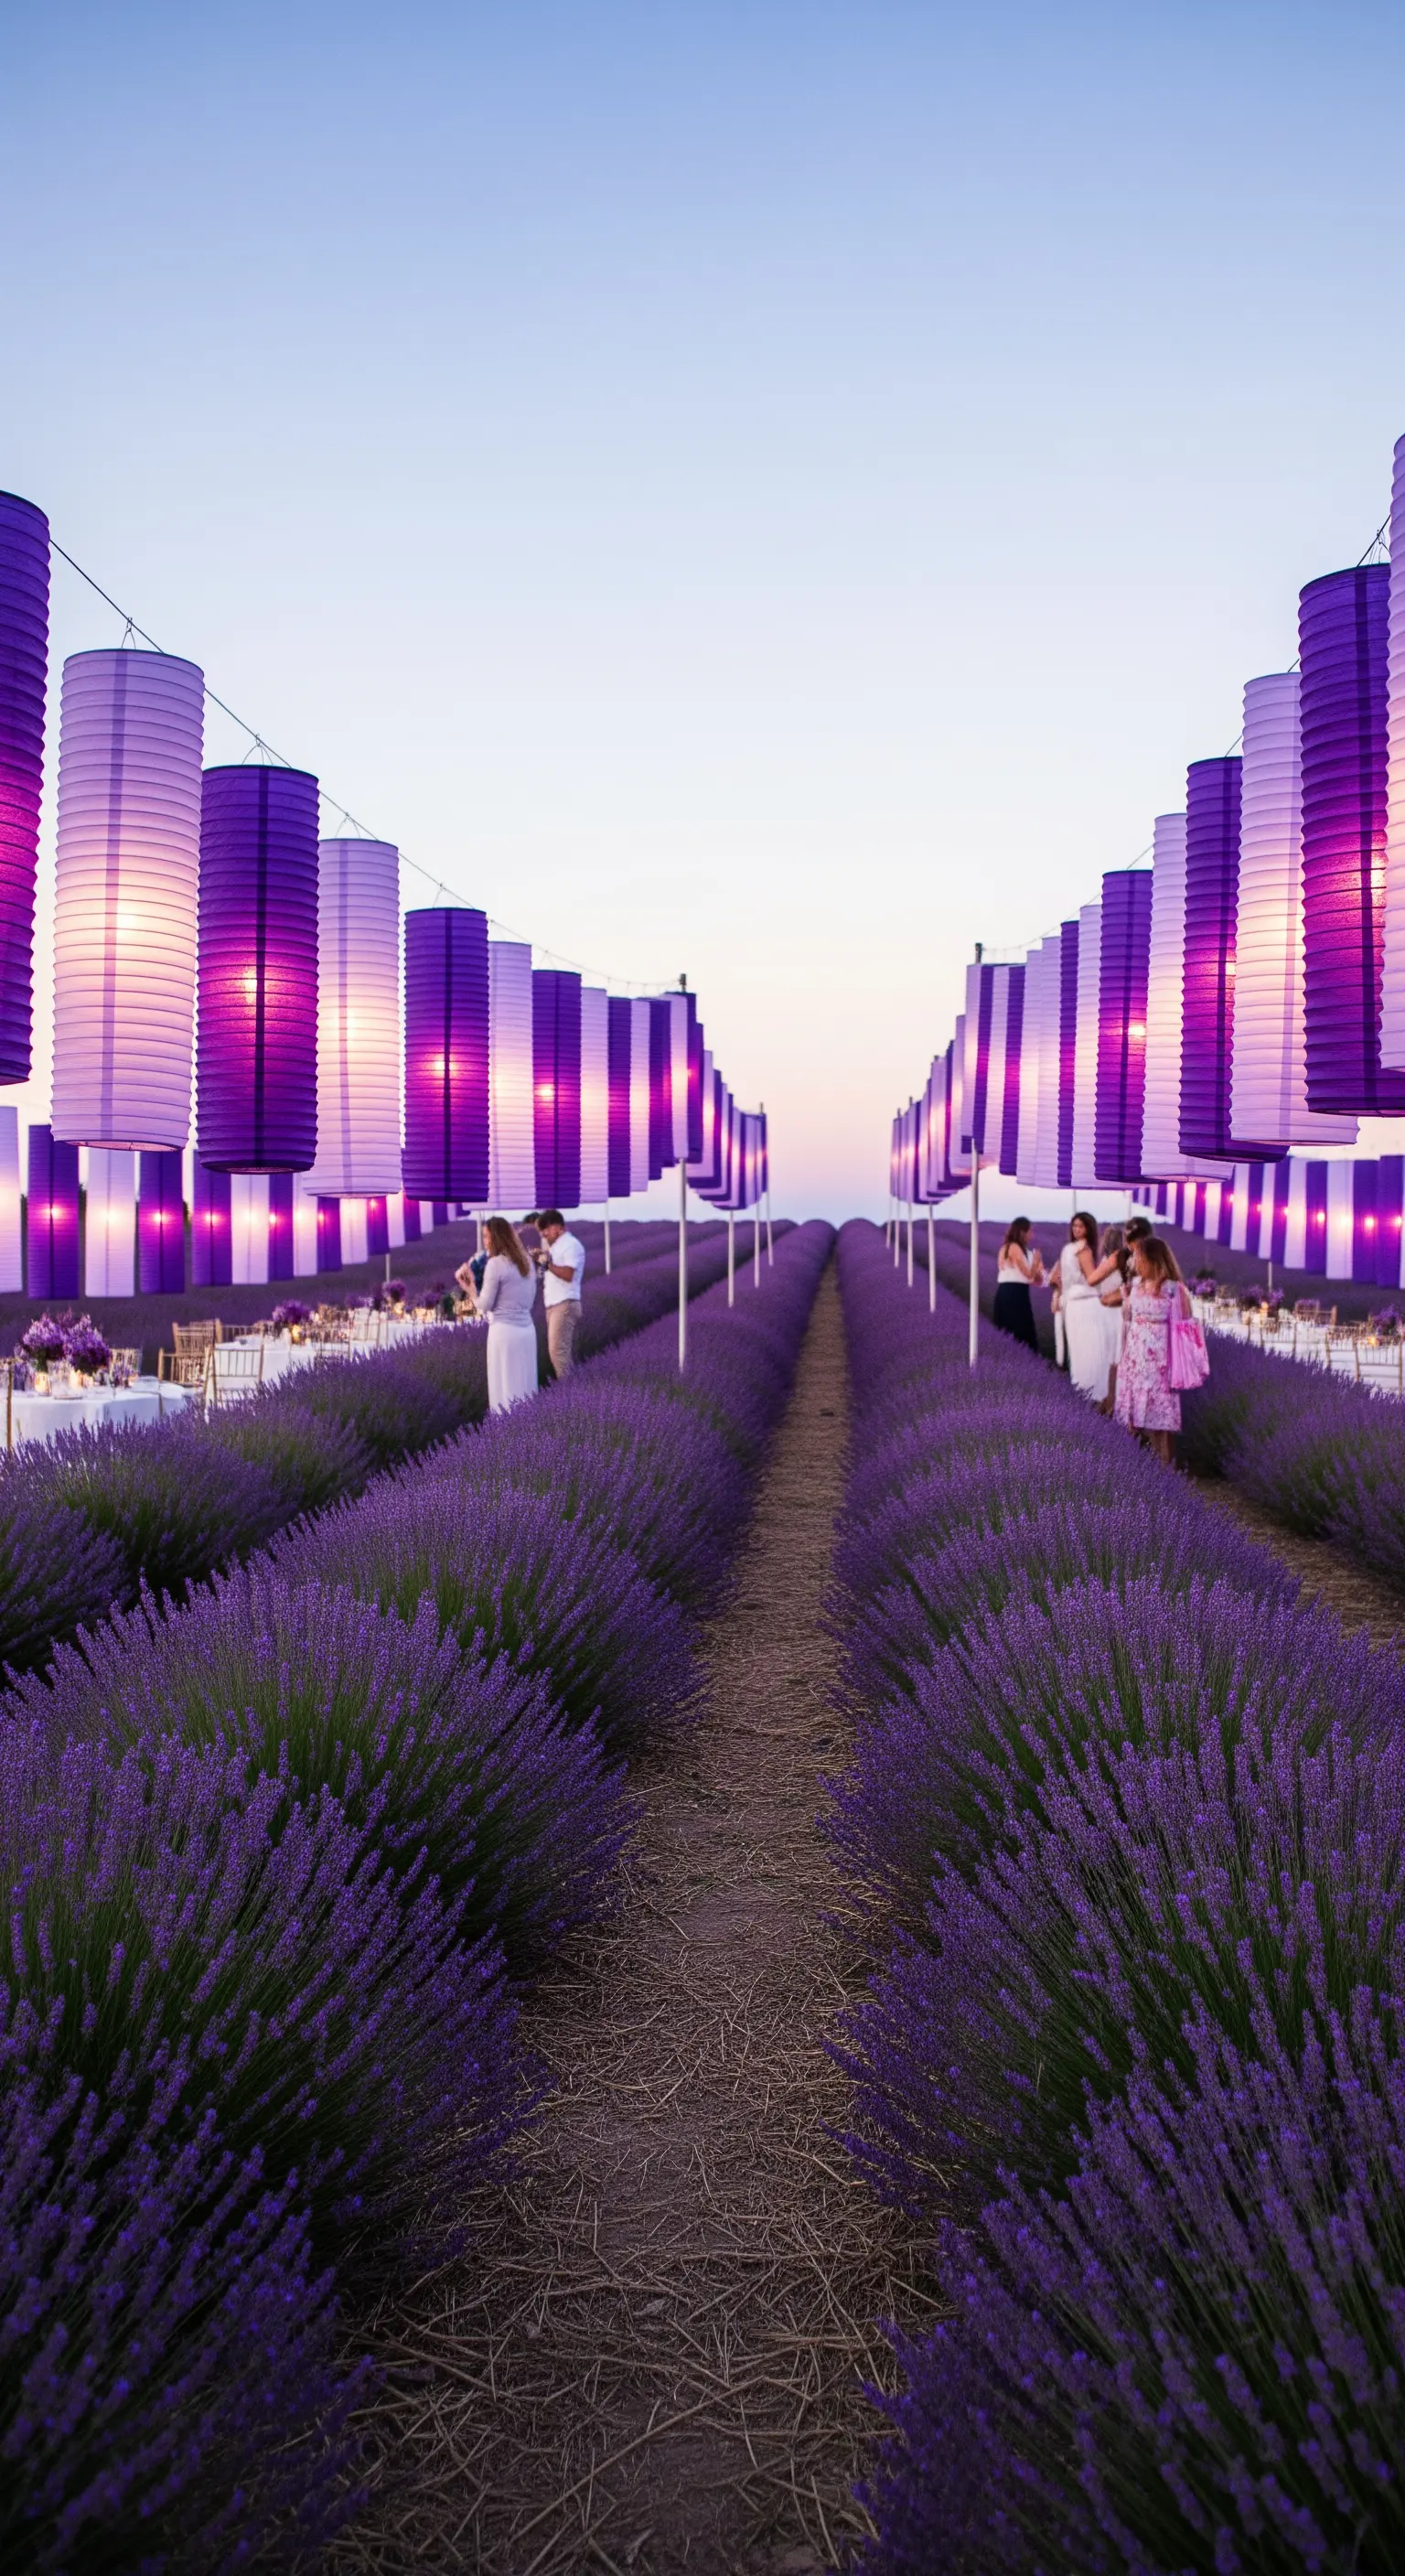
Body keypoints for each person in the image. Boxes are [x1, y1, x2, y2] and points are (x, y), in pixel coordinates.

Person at [1115, 1231, 1194, 1465]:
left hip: (1161, 1361)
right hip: (1135, 1358)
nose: (1135, 1262)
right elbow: (1128, 1318)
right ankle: (1135, 1468)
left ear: (1153, 1259)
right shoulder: (1135, 1285)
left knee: (1161, 1422)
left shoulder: (1173, 1289)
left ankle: (1165, 1469)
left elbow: (1186, 1326)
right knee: (1133, 1418)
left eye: (1139, 1257)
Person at [1056, 1211, 1121, 1407]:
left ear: (1088, 1228)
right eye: (1074, 1226)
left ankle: (1085, 1395)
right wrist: (1111, 1267)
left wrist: (1057, 1294)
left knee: (1080, 1353)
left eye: (1080, 1226)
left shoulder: (1067, 1249)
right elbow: (1093, 1279)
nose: (1076, 1229)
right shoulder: (1083, 1249)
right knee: (1095, 1353)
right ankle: (1096, 1396)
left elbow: (1057, 1278)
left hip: (1071, 1303)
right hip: (1085, 1303)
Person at [477, 1217, 540, 1411]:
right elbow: (530, 1299)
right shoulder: (527, 1262)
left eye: (487, 1237)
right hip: (527, 1331)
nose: (485, 1242)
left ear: (496, 1238)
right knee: (525, 1387)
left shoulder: (495, 1264)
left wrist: (470, 1290)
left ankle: (505, 1428)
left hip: (504, 1333)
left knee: (503, 1388)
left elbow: (484, 1305)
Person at [537, 1207, 585, 1379]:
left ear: (558, 1227)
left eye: (546, 1229)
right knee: (561, 1352)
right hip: (555, 1304)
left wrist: (547, 1265)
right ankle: (572, 1388)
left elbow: (568, 1274)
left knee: (558, 1352)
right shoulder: (557, 1247)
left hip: (565, 1303)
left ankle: (570, 1391)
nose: (544, 1234)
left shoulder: (571, 1245)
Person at [993, 1217, 1044, 1348]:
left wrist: (1039, 1268)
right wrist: (1036, 1262)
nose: (1032, 1235)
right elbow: (1028, 1275)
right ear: (1022, 1232)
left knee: (1024, 1331)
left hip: (1021, 1293)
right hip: (1011, 1293)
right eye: (1030, 1231)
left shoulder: (1026, 1251)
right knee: (1016, 1330)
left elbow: (1037, 1280)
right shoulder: (1012, 1247)